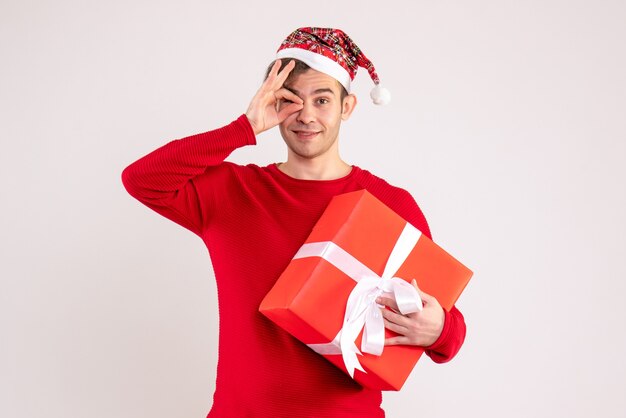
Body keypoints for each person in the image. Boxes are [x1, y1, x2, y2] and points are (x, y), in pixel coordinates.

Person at [122, 27, 466, 418]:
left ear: (347, 107)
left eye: (322, 100)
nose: (305, 115)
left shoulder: (389, 204)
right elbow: (142, 180)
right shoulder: (234, 193)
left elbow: (447, 327)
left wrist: (440, 330)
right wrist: (244, 128)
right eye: (289, 100)